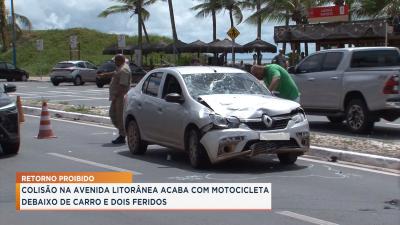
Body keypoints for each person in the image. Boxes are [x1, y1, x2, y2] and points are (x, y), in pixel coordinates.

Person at [99, 54, 131, 144]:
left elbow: (122, 85)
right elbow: (115, 73)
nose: (114, 63)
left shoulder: (124, 70)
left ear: (119, 61)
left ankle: (122, 135)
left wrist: (116, 95)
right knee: (114, 114)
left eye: (115, 61)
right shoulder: (120, 68)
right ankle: (123, 132)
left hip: (120, 97)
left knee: (119, 116)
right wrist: (105, 75)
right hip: (117, 97)